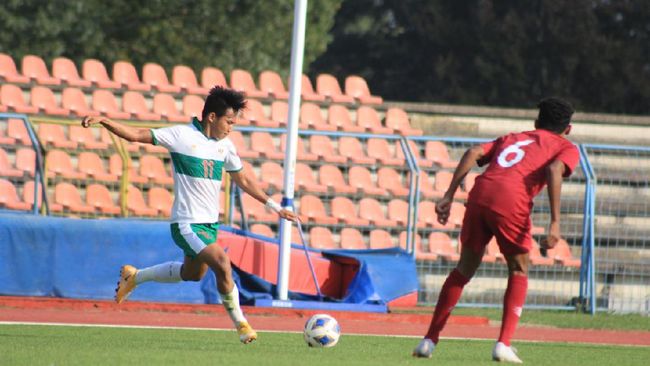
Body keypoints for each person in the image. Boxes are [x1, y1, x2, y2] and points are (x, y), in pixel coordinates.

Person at [81, 86, 298, 344]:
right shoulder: (180, 135)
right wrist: (105, 121)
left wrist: (274, 207)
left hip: (208, 225)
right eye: (229, 122)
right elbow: (137, 135)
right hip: (186, 224)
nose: (231, 128)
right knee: (222, 263)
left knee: (193, 274)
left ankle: (135, 277)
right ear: (212, 117)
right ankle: (241, 324)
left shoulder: (225, 147)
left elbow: (244, 179)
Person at [412, 97, 580, 363]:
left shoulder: (513, 137)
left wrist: (448, 195)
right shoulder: (566, 146)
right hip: (511, 199)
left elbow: (473, 153)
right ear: (568, 129)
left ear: (536, 123)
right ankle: (503, 343)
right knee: (519, 269)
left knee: (463, 270)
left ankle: (429, 340)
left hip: (480, 193)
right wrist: (555, 222)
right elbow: (554, 168)